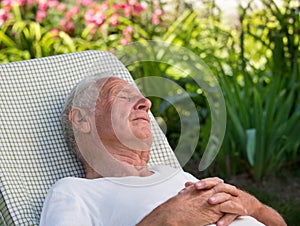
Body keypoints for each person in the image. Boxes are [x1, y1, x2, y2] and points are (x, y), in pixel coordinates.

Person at [39, 76, 287, 226]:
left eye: (143, 99)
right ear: (82, 120)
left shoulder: (178, 177)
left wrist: (253, 207)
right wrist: (168, 220)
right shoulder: (75, 192)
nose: (146, 103)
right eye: (122, 96)